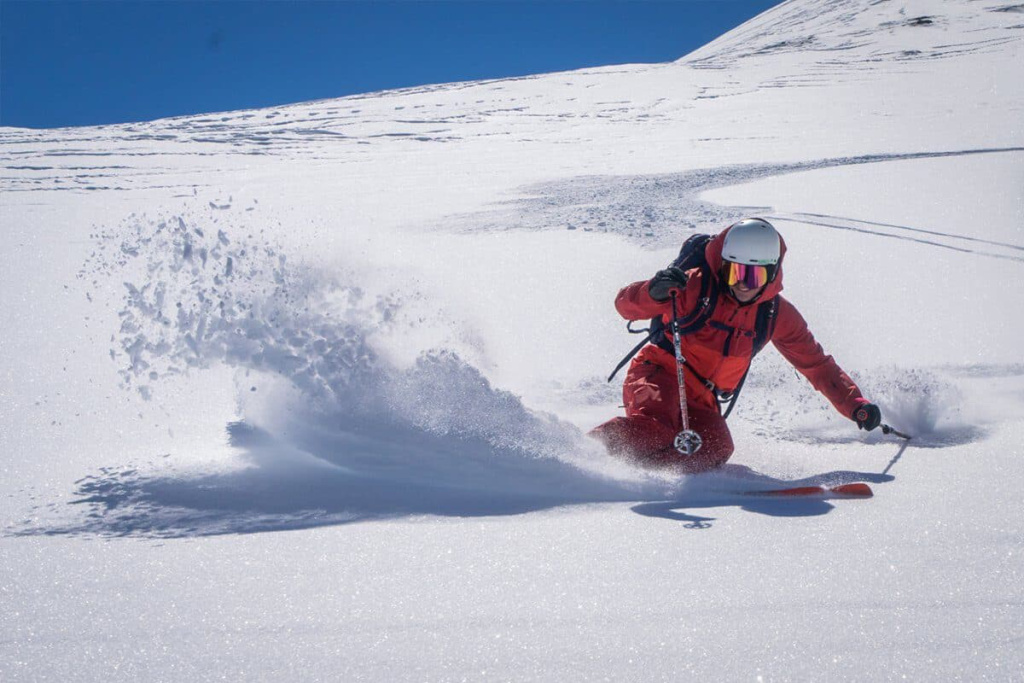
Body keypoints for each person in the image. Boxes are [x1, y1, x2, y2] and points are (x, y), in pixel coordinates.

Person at [590, 218, 882, 473]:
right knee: (654, 430)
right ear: (724, 267)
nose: (743, 284)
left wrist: (855, 404)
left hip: (702, 397)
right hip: (657, 374)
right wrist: (653, 293)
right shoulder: (695, 286)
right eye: (735, 273)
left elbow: (817, 365)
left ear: (772, 273)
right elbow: (626, 306)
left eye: (754, 275)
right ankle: (584, 454)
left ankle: (651, 476)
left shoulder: (775, 315)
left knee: (716, 446)